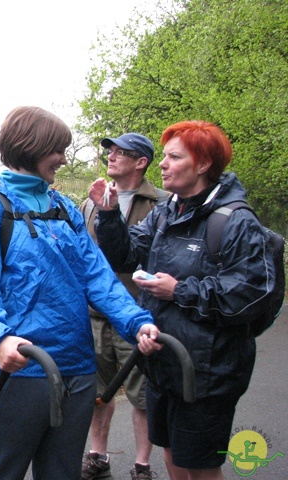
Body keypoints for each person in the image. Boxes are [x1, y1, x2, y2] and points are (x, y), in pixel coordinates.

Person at [0, 106, 161, 480]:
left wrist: (136, 322)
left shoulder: (64, 207)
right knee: (0, 473)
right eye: (58, 149)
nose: (63, 159)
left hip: (74, 369)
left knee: (63, 474)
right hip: (13, 369)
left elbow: (97, 275)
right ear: (31, 146)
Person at [89, 120, 277, 480]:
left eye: (174, 157)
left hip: (208, 372)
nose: (162, 164)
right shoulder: (167, 211)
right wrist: (110, 214)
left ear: (203, 164)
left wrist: (180, 290)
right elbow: (126, 257)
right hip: (164, 361)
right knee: (173, 454)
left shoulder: (236, 221)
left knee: (201, 465)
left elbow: (251, 294)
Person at [79, 133, 168, 480]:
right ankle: (97, 456)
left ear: (141, 162)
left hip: (135, 313)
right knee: (98, 392)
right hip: (93, 314)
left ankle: (142, 465)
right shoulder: (91, 202)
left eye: (120, 153)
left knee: (141, 394)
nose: (111, 157)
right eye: (110, 152)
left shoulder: (161, 203)